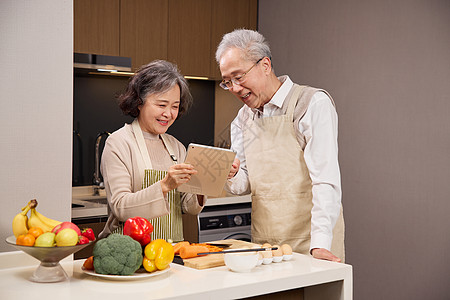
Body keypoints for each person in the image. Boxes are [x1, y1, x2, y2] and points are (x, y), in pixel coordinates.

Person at [217, 29, 345, 262]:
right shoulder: (243, 119)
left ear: (265, 65)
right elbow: (244, 184)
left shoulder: (311, 104)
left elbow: (325, 180)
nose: (234, 88)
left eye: (238, 77)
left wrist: (320, 244)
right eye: (227, 82)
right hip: (266, 245)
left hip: (312, 243)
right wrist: (231, 174)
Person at [98, 60, 205, 242]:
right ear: (139, 102)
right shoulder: (118, 143)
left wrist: (205, 181)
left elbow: (189, 207)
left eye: (175, 106)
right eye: (162, 105)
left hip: (169, 252)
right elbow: (120, 207)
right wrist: (164, 185)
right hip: (131, 253)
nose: (169, 114)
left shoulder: (176, 146)